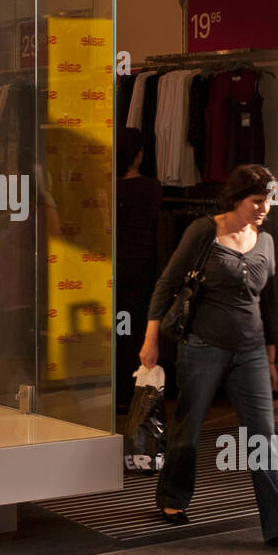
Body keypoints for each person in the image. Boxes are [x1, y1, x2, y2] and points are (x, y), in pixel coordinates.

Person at [140, 164, 278, 547]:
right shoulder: (204, 231)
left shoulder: (267, 239)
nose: (264, 207)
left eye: (268, 200)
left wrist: (270, 359)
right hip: (203, 346)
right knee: (189, 429)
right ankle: (172, 497)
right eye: (257, 200)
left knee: (263, 438)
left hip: (250, 351)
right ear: (236, 198)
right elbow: (167, 284)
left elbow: (269, 304)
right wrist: (151, 341)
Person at [116, 128, 162, 415]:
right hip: (141, 265)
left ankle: (119, 388)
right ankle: (135, 390)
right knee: (137, 330)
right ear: (138, 154)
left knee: (119, 329)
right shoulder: (151, 187)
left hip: (115, 265)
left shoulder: (109, 186)